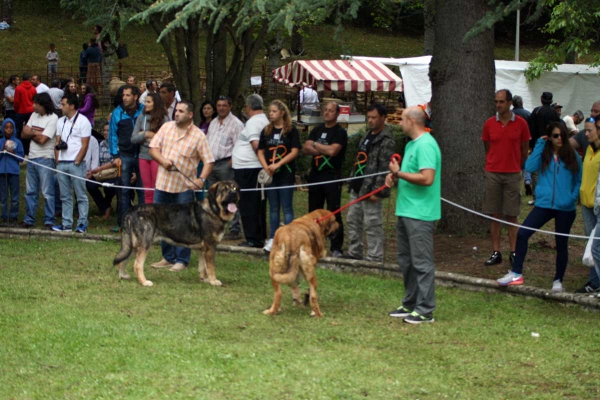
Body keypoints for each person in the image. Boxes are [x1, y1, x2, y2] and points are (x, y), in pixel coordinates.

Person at [497, 122, 582, 292]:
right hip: (544, 205)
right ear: (550, 137)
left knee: (561, 243)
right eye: (556, 135)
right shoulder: (544, 153)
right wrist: (540, 144)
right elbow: (529, 167)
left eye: (562, 135)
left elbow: (578, 179)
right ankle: (516, 273)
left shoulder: (572, 155)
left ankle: (558, 281)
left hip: (565, 207)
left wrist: (571, 198)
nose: (560, 139)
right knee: (522, 234)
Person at [386, 106, 441, 324]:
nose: (399, 123)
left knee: (421, 262)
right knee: (406, 261)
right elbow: (412, 175)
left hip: (421, 213)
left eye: (401, 119)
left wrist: (398, 173)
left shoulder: (427, 144)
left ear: (412, 121)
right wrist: (396, 177)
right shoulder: (411, 145)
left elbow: (427, 178)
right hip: (406, 210)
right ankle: (410, 303)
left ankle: (425, 310)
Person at [149, 100, 215, 272]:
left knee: (183, 224)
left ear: (190, 115)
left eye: (181, 111)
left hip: (184, 188)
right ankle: (167, 257)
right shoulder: (166, 127)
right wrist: (163, 161)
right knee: (162, 221)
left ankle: (182, 260)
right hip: (163, 184)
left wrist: (201, 179)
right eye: (176, 110)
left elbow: (209, 161)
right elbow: (153, 148)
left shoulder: (198, 136)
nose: (176, 113)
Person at [482, 89, 531, 267]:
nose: (498, 105)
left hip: (512, 173)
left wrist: (516, 166)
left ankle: (514, 251)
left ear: (510, 103)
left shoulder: (521, 124)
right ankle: (496, 252)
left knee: (512, 214)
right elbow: (487, 147)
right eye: (496, 102)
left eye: (501, 101)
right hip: (493, 172)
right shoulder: (489, 124)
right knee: (495, 214)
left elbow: (524, 149)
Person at [344, 103, 395, 262]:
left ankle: (374, 255)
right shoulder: (367, 135)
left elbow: (385, 167)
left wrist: (378, 190)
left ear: (383, 118)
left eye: (374, 118)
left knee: (372, 223)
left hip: (371, 188)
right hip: (358, 185)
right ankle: (355, 251)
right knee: (353, 219)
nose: (370, 121)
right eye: (369, 118)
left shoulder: (387, 139)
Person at [302, 101, 348, 257]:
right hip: (315, 175)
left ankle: (336, 247)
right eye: (325, 110)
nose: (327, 113)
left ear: (337, 114)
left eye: (331, 110)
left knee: (333, 211)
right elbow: (306, 148)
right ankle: (314, 243)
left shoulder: (340, 132)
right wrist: (322, 147)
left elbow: (333, 151)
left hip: (331, 175)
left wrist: (316, 145)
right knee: (314, 211)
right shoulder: (317, 129)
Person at [257, 100, 301, 253]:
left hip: (285, 174)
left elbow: (294, 151)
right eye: (270, 111)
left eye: (274, 111)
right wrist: (266, 166)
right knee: (273, 208)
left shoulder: (291, 130)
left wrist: (279, 164)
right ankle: (272, 238)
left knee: (287, 207)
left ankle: (288, 240)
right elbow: (260, 150)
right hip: (271, 176)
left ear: (282, 113)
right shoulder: (267, 131)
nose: (271, 114)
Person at [232, 94, 270, 248]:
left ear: (248, 107)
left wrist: (264, 165)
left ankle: (253, 238)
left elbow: (256, 145)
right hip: (249, 167)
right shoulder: (263, 120)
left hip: (249, 169)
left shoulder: (254, 122)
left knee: (248, 204)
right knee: (254, 203)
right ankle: (257, 235)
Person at [206, 95, 244, 240]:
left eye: (224, 105)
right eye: (219, 105)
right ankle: (215, 224)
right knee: (213, 196)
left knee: (230, 196)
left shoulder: (236, 124)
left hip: (226, 164)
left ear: (230, 106)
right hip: (212, 163)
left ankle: (234, 228)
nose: (221, 108)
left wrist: (230, 163)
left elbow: (239, 146)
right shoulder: (214, 122)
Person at [52, 94, 91, 233]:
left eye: (63, 104)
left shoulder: (83, 121)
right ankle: (66, 223)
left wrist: (77, 161)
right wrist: (58, 159)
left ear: (72, 106)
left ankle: (82, 223)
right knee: (65, 196)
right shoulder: (60, 121)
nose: (60, 107)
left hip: (76, 163)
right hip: (62, 162)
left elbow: (85, 144)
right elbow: (57, 141)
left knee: (80, 194)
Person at [19, 93, 58, 229]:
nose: (33, 106)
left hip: (46, 158)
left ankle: (49, 220)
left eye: (36, 103)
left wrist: (32, 133)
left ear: (43, 105)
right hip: (32, 157)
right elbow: (23, 134)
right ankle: (29, 219)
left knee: (47, 192)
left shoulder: (53, 118)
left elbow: (43, 140)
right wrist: (36, 133)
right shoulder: (33, 115)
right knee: (30, 191)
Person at [108, 84, 145, 230]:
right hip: (124, 155)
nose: (124, 98)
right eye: (123, 95)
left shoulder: (144, 110)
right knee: (123, 190)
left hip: (142, 154)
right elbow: (112, 135)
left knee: (142, 189)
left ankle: (143, 222)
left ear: (135, 97)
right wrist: (115, 155)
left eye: (128, 95)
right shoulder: (117, 112)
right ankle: (122, 222)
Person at [571, 117, 600, 294]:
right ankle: (594, 282)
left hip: (599, 205)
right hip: (587, 204)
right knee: (591, 245)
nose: (586, 134)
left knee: (597, 246)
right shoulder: (589, 149)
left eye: (589, 130)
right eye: (585, 130)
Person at [131, 92, 168, 204]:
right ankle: (149, 215)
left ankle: (158, 215)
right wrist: (147, 134)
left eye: (148, 102)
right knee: (147, 190)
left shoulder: (164, 119)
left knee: (157, 189)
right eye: (145, 101)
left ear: (155, 103)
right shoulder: (141, 117)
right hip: (143, 156)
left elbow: (165, 140)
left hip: (158, 157)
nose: (145, 104)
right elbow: (133, 138)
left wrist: (151, 136)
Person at [527, 92, 561, 205]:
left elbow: (531, 130)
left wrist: (531, 146)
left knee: (536, 172)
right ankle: (551, 194)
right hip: (552, 146)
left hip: (539, 144)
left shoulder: (536, 111)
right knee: (551, 169)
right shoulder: (554, 113)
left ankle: (537, 197)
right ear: (551, 101)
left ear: (541, 99)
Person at [87, 123, 118, 219]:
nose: (105, 132)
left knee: (109, 187)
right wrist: (93, 170)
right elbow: (96, 159)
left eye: (108, 130)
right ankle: (105, 207)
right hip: (101, 173)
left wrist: (100, 168)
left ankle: (106, 206)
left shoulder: (118, 144)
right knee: (89, 184)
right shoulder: (101, 144)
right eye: (104, 130)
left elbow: (115, 161)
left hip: (113, 173)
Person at [0, 119, 24, 224]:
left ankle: (13, 217)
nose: (8, 130)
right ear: (3, 129)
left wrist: (13, 151)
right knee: (3, 196)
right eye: (6, 127)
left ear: (14, 129)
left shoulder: (17, 142)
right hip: (1, 172)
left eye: (11, 127)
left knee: (15, 197)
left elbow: (21, 158)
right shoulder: (0, 141)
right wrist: (2, 149)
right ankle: (4, 217)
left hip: (14, 172)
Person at [14, 73, 38, 155]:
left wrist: (16, 110)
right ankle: (29, 149)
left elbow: (16, 101)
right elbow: (35, 100)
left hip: (21, 111)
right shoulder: (33, 88)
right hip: (31, 111)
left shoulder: (19, 88)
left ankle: (17, 149)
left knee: (17, 130)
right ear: (29, 79)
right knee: (30, 131)